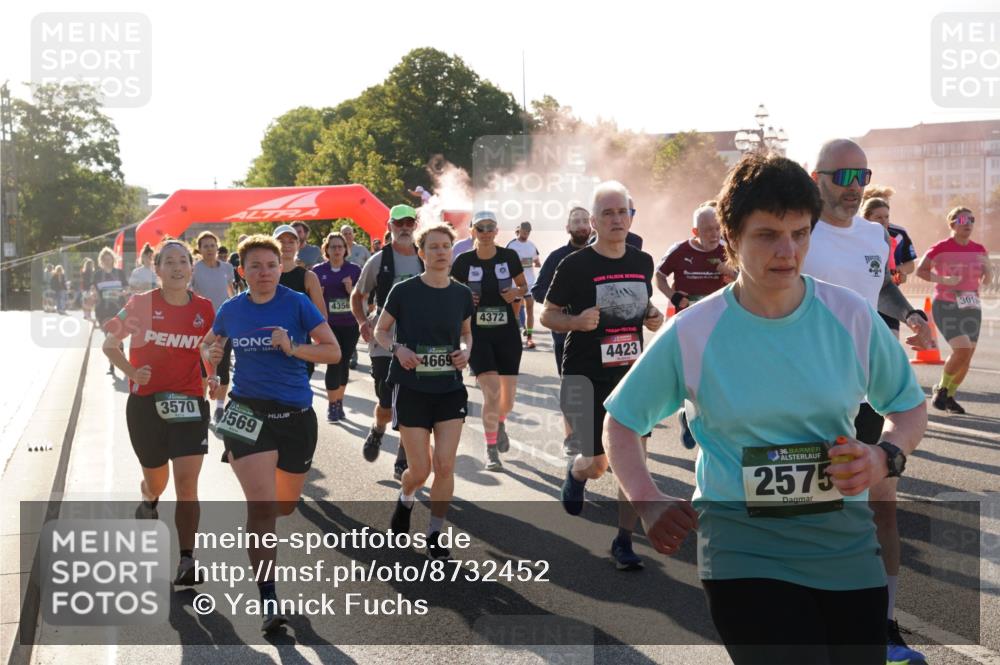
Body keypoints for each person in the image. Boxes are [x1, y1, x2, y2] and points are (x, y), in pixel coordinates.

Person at [605, 153, 927, 665]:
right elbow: (621, 420)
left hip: (846, 554)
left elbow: (909, 408)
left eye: (801, 234)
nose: (787, 251)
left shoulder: (851, 316)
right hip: (743, 554)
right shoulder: (694, 331)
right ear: (731, 237)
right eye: (768, 235)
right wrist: (645, 498)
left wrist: (885, 455)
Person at [802, 138, 933, 664]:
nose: (854, 188)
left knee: (882, 507)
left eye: (863, 176)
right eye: (843, 177)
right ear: (818, 179)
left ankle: (885, 626)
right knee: (820, 511)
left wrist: (911, 316)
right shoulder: (799, 231)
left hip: (867, 386)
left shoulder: (875, 234)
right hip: (810, 391)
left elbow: (878, 289)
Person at [200, 234, 339, 632]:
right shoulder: (231, 309)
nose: (265, 273)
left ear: (282, 268)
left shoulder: (296, 304)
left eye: (272, 265)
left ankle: (265, 533)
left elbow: (332, 352)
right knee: (261, 509)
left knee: (284, 507)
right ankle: (268, 597)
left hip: (295, 415)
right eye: (256, 266)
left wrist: (294, 348)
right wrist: (211, 369)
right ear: (241, 272)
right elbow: (208, 345)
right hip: (247, 413)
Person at [541, 181, 664, 571]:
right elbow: (547, 314)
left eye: (622, 211)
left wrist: (653, 316)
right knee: (597, 463)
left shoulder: (641, 262)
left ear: (631, 216)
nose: (616, 219)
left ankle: (624, 541)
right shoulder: (575, 265)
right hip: (585, 374)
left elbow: (645, 309)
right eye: (607, 213)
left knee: (634, 462)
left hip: (630, 374)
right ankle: (576, 473)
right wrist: (575, 321)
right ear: (593, 221)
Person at [103, 239, 216, 587]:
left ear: (191, 268)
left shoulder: (206, 309)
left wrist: (214, 377)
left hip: (189, 403)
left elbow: (210, 350)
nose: (177, 267)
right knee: (158, 482)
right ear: (157, 269)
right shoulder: (140, 304)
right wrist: (132, 372)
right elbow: (110, 344)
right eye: (169, 262)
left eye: (183, 261)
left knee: (187, 484)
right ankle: (148, 498)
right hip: (146, 405)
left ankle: (186, 560)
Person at [376, 223, 473, 560]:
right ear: (421, 253)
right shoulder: (404, 291)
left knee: (445, 465)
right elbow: (381, 331)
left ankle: (435, 531)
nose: (441, 251)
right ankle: (406, 500)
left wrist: (466, 350)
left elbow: (466, 334)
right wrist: (398, 350)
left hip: (449, 388)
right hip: (413, 388)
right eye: (433, 246)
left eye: (446, 246)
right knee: (420, 470)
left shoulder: (461, 293)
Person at [451, 211, 529, 471]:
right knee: (492, 392)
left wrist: (515, 294)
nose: (485, 232)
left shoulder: (509, 256)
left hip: (507, 335)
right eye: (480, 228)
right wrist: (463, 299)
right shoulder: (463, 261)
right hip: (478, 336)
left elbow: (524, 287)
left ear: (497, 231)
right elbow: (448, 292)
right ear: (472, 230)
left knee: (506, 401)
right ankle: (491, 449)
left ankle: (501, 420)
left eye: (490, 228)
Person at [656, 204, 736, 449]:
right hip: (688, 323)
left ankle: (704, 419)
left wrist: (731, 272)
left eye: (716, 228)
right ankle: (686, 414)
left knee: (715, 373)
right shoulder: (680, 251)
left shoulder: (728, 250)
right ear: (695, 231)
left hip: (720, 324)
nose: (713, 234)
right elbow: (659, 275)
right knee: (691, 373)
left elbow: (748, 279)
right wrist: (672, 295)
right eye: (707, 229)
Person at [352, 205, 423, 480]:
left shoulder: (424, 257)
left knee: (410, 398)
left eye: (408, 223)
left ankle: (403, 458)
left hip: (418, 338)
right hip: (383, 337)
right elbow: (358, 295)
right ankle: (378, 428)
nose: (404, 228)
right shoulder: (379, 260)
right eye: (398, 223)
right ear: (390, 225)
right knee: (386, 401)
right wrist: (361, 321)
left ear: (415, 225)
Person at [917, 206, 992, 415]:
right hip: (946, 304)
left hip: (971, 305)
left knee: (967, 357)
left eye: (971, 220)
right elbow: (921, 271)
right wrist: (944, 279)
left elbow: (988, 278)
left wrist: (988, 271)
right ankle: (941, 388)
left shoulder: (979, 249)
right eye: (962, 220)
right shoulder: (941, 248)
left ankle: (948, 395)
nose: (967, 223)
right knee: (962, 350)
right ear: (952, 224)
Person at [532, 206, 592, 458]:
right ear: (567, 228)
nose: (580, 226)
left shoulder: (601, 254)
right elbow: (537, 290)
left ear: (592, 226)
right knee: (572, 387)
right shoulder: (558, 257)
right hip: (565, 334)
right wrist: (563, 308)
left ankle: (597, 436)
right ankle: (571, 435)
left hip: (598, 333)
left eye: (584, 221)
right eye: (575, 222)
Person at [312, 232, 362, 422]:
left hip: (350, 324)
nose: (337, 250)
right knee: (334, 362)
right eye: (333, 247)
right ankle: (332, 405)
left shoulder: (354, 270)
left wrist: (350, 290)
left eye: (340, 247)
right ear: (327, 249)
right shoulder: (317, 271)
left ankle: (339, 401)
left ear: (345, 249)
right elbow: (310, 300)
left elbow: (362, 298)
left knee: (344, 362)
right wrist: (319, 294)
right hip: (328, 325)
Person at [190, 231, 236, 421]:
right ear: (199, 249)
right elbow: (188, 293)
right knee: (204, 368)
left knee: (223, 366)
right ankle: (204, 405)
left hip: (225, 323)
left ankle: (219, 407)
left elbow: (231, 292)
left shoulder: (226, 268)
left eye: (212, 245)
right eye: (205, 246)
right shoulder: (194, 269)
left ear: (218, 247)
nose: (209, 249)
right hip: (201, 325)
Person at [274, 224, 327, 379]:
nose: (286, 245)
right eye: (281, 241)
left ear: (298, 245)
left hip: (300, 348)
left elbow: (321, 317)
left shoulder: (308, 277)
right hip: (269, 349)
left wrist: (319, 345)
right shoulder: (265, 276)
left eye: (291, 241)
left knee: (297, 400)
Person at [861, 196, 919, 336]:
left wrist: (899, 272)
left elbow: (910, 265)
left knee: (892, 344)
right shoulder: (856, 236)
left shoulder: (897, 235)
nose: (884, 221)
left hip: (889, 298)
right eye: (878, 217)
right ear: (866, 218)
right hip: (864, 301)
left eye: (886, 216)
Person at [506, 221, 542, 349]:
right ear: (519, 230)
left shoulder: (532, 246)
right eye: (524, 231)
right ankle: (514, 338)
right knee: (514, 313)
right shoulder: (511, 245)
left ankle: (530, 338)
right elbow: (505, 264)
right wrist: (521, 263)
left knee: (530, 309)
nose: (525, 234)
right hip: (516, 284)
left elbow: (538, 263)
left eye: (528, 232)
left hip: (530, 283)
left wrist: (533, 263)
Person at [93, 247, 129, 376]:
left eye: (110, 259)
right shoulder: (97, 275)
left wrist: (121, 292)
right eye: (105, 259)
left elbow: (126, 289)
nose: (108, 261)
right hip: (103, 310)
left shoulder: (120, 273)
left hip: (118, 308)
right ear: (101, 260)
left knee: (118, 336)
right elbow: (95, 292)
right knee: (108, 337)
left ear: (113, 259)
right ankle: (112, 364)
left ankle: (120, 360)